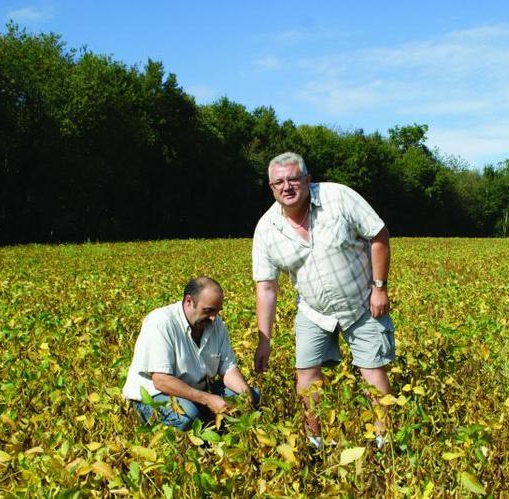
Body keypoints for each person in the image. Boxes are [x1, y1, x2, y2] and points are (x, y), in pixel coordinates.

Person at [252, 152, 394, 450]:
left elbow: (379, 234)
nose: (287, 186)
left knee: (373, 371)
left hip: (361, 303)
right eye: (279, 182)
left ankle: (385, 443)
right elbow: (266, 287)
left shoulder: (338, 197)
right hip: (313, 310)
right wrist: (264, 340)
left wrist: (379, 288)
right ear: (271, 187)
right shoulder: (266, 229)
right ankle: (315, 443)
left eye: (293, 179)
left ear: (307, 179)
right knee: (306, 373)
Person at [123, 276, 259, 430]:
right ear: (189, 301)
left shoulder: (215, 324)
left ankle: (212, 425)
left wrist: (247, 397)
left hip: (194, 393)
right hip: (154, 396)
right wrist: (207, 399)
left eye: (217, 311)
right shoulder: (160, 322)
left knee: (250, 395)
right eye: (208, 310)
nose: (214, 317)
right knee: (186, 416)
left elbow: (228, 369)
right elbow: (161, 381)